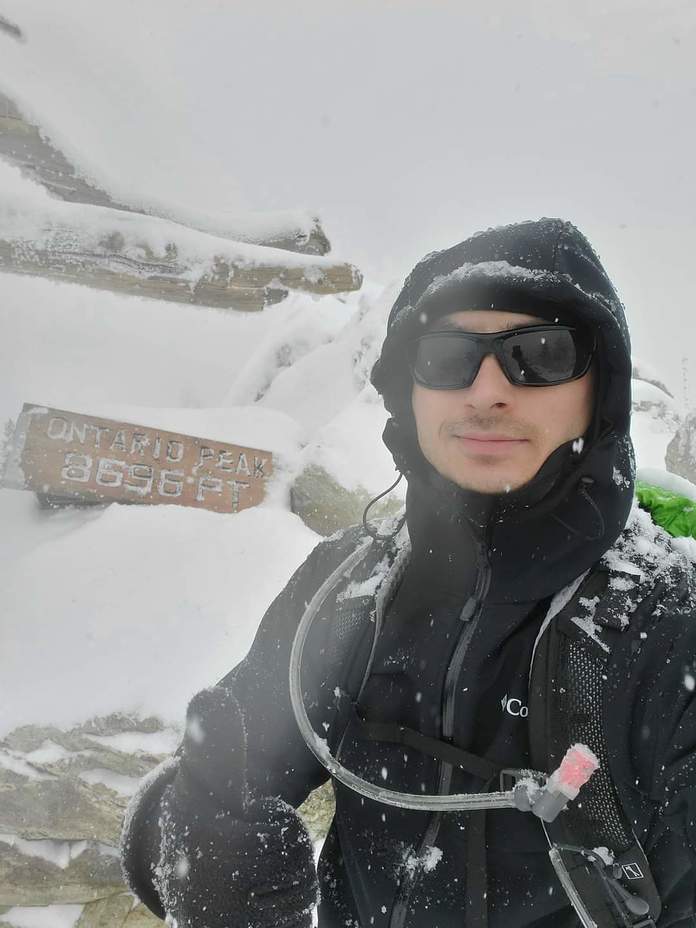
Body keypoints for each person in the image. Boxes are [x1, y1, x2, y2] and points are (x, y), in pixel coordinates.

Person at [120, 218, 696, 928]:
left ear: (599, 388)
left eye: (540, 354)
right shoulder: (351, 587)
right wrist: (185, 845)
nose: (486, 391)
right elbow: (215, 787)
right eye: (448, 357)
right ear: (409, 394)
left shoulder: (672, 628)